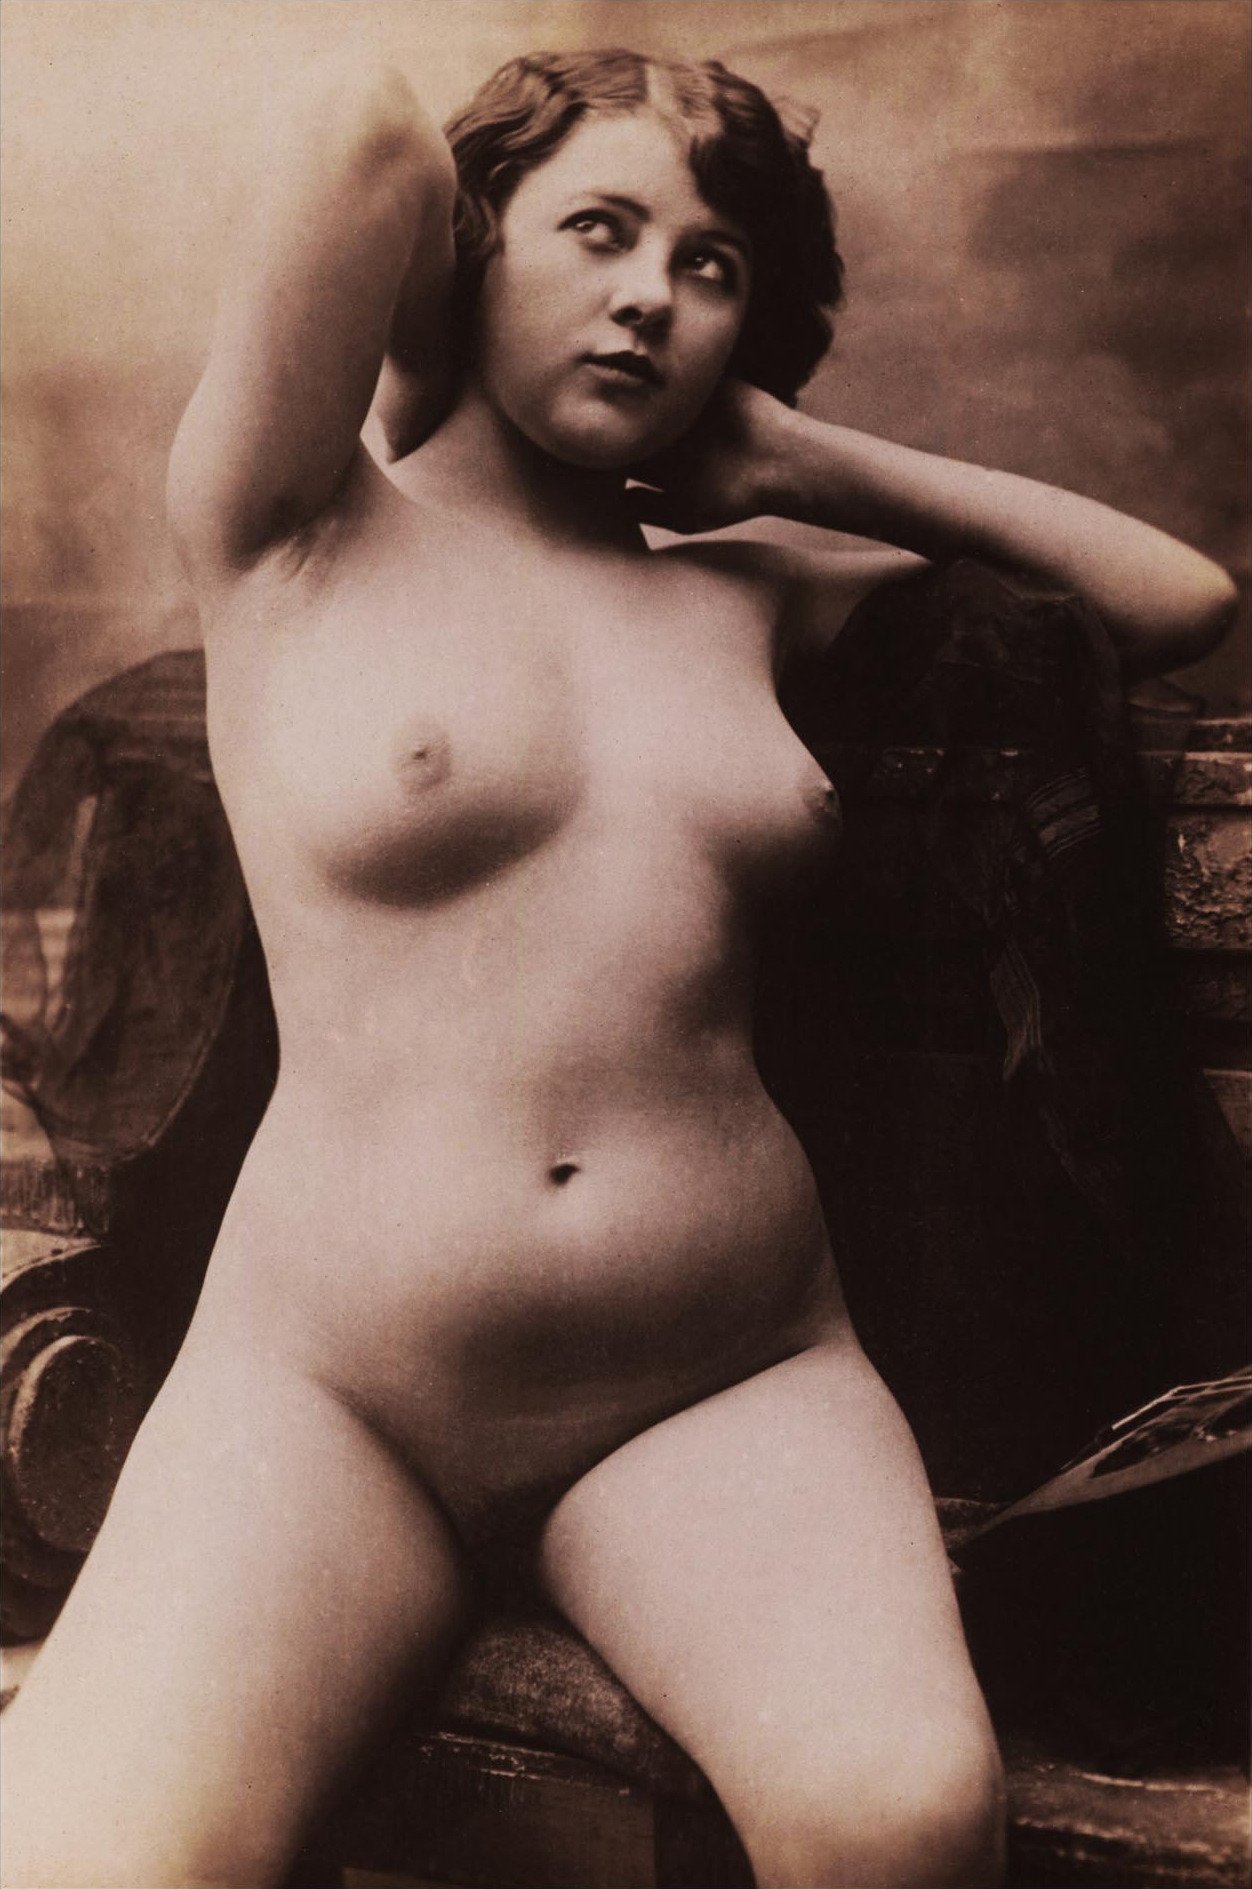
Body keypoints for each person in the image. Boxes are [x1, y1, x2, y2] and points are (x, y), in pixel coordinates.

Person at [1, 47, 1234, 1889]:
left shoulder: (752, 587)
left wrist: (795, 456)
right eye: (598, 230)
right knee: (86, 1863)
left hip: (721, 1386)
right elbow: (355, 124)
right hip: (331, 1394)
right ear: (468, 244)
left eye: (710, 265)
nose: (653, 294)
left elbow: (1175, 600)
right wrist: (438, 349)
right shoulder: (292, 523)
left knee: (900, 1824)